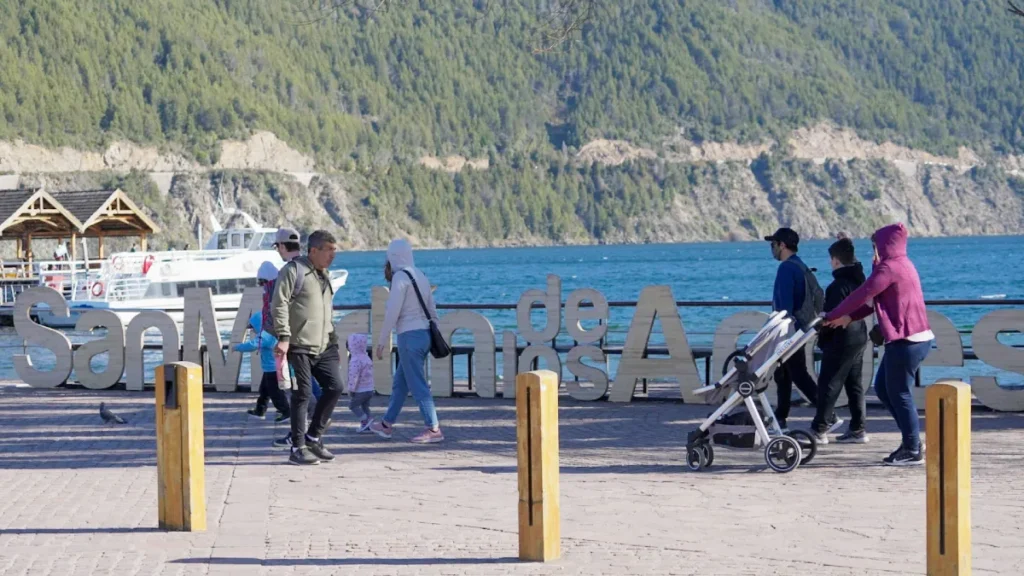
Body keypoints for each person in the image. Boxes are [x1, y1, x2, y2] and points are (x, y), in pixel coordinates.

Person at [824, 223, 933, 466]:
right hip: (909, 339)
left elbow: (862, 294)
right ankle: (911, 440)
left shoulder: (890, 267)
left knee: (899, 392)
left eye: (875, 246)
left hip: (907, 340)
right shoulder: (902, 264)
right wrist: (848, 317)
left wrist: (831, 315)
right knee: (884, 389)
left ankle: (913, 448)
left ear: (885, 245)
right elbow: (873, 302)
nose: (873, 252)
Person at [271, 230, 344, 466]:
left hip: (325, 344)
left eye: (335, 252)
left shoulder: (324, 275)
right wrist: (283, 336)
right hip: (298, 342)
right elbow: (279, 303)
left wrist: (333, 340)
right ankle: (297, 447)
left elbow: (326, 310)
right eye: (329, 251)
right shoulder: (293, 271)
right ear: (313, 250)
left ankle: (313, 438)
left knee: (335, 387)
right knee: (303, 393)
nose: (332, 257)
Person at [370, 239, 444, 444]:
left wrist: (382, 341)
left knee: (418, 385)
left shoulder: (400, 278)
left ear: (392, 257)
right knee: (400, 384)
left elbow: (392, 312)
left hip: (409, 336)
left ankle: (433, 428)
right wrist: (436, 331)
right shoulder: (420, 275)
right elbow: (432, 308)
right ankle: (386, 425)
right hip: (424, 335)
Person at [763, 227, 836, 432]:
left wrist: (776, 332)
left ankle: (828, 415)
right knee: (783, 373)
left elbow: (783, 307)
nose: (772, 249)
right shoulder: (801, 266)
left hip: (789, 330)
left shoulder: (786, 268)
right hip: (802, 328)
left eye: (773, 244)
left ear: (782, 245)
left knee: (798, 375)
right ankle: (780, 417)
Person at [809, 237, 868, 445]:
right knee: (854, 383)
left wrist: (820, 322)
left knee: (829, 382)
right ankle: (858, 428)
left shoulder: (838, 285)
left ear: (835, 261)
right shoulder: (860, 280)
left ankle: (819, 428)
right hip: (859, 334)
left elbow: (833, 316)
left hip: (842, 338)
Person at [266, 227, 323, 404]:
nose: (278, 252)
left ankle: (314, 418)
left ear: (282, 246)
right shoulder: (313, 268)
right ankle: (316, 416)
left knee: (300, 382)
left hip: (294, 334)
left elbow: (279, 304)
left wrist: (280, 334)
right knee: (306, 377)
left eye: (278, 247)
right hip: (313, 331)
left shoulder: (288, 271)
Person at [233, 310, 291, 422]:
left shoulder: (266, 336)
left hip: (273, 369)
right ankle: (260, 411)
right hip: (270, 368)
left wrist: (237, 347)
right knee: (264, 390)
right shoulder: (272, 332)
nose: (252, 329)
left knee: (275, 392)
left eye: (253, 326)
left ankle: (286, 412)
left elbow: (252, 345)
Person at [346, 333, 375, 433]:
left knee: (353, 406)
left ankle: (365, 420)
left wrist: (351, 390)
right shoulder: (367, 358)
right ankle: (368, 425)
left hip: (360, 390)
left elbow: (354, 377)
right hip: (370, 389)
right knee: (365, 406)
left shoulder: (355, 360)